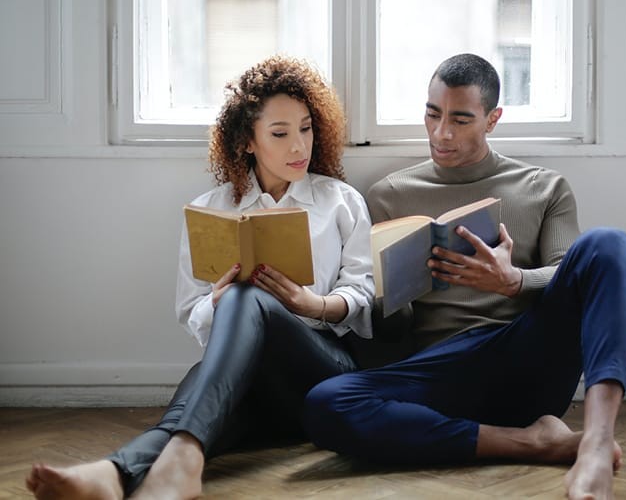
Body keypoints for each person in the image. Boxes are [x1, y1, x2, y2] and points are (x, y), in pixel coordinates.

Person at [25, 55, 374, 499]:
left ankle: (149, 470)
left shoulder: (340, 201)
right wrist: (216, 299)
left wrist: (312, 304)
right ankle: (118, 473)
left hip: (322, 372)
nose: (298, 147)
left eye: (305, 128)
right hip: (252, 387)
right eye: (280, 134)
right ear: (248, 141)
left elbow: (363, 294)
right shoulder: (214, 210)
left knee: (245, 303)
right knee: (208, 386)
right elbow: (191, 315)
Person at [303, 53, 626, 499]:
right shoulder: (389, 195)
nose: (442, 133)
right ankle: (534, 442)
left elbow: (572, 273)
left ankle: (596, 442)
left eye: (460, 119)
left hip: (526, 353)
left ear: (492, 119)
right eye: (432, 114)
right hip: (441, 370)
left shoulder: (543, 187)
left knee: (609, 243)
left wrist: (513, 282)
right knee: (326, 405)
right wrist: (400, 289)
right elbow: (386, 328)